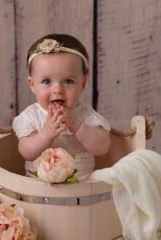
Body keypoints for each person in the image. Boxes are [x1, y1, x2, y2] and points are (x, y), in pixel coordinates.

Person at [12, 33, 111, 180]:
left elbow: (103, 147)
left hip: (81, 192)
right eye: (47, 82)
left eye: (68, 81)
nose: (57, 90)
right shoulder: (31, 117)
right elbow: (26, 152)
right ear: (32, 84)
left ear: (83, 83)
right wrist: (45, 135)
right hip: (38, 192)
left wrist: (78, 127)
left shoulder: (87, 116)